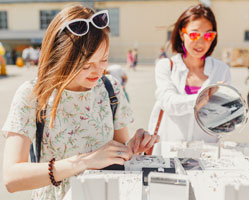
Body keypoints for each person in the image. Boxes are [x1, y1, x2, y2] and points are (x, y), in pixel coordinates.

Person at [2, 4, 159, 200]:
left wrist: (133, 149)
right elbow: (11, 178)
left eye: (104, 60)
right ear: (61, 57)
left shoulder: (111, 88)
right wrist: (83, 162)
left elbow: (120, 156)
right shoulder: (33, 94)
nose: (98, 71)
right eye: (86, 65)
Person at [148, 4, 231, 155]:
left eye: (208, 36)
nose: (200, 42)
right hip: (168, 151)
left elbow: (223, 117)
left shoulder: (221, 70)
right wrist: (203, 98)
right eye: (194, 35)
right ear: (181, 34)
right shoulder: (166, 66)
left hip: (207, 152)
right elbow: (169, 103)